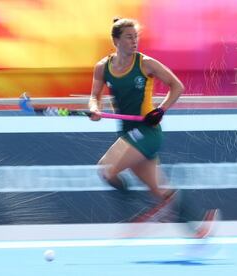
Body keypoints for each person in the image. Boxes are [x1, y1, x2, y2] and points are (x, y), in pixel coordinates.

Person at [88, 17, 218, 238]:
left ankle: (141, 209)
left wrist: (161, 109)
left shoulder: (145, 63)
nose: (134, 41)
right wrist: (94, 109)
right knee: (160, 190)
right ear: (116, 40)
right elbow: (94, 97)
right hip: (127, 133)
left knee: (108, 170)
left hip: (147, 132)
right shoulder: (103, 67)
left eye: (135, 37)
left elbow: (177, 86)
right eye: (129, 37)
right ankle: (197, 230)